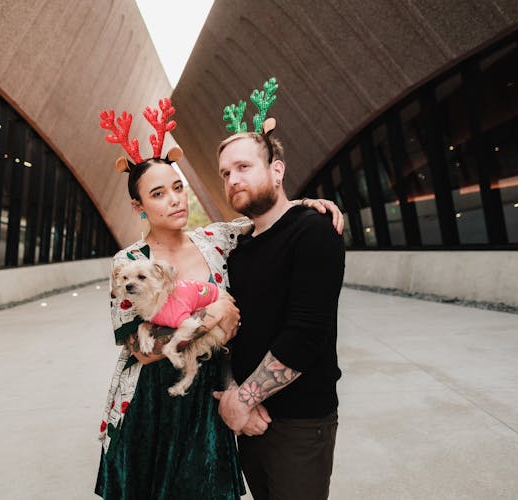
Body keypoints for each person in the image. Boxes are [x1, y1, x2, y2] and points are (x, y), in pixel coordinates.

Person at [94, 99, 345, 500]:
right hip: (150, 404)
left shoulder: (215, 241)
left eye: (178, 187)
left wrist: (306, 204)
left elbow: (265, 217)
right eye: (158, 194)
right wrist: (211, 317)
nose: (175, 199)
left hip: (208, 403)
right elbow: (138, 348)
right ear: (138, 207)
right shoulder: (128, 263)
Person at [214, 129, 346, 500]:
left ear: (277, 170)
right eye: (225, 173)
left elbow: (303, 336)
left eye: (243, 166)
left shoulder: (313, 230)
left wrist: (241, 402)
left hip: (300, 424)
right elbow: (229, 336)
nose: (233, 179)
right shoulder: (238, 250)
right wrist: (232, 394)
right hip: (252, 425)